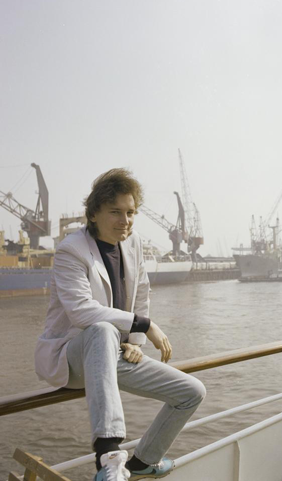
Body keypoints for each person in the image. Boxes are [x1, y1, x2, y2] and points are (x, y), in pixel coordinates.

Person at [35, 169, 206, 481]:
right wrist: (144, 326)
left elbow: (141, 293)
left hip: (112, 354)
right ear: (93, 214)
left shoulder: (133, 243)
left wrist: (134, 343)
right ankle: (109, 456)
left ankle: (144, 461)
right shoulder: (71, 250)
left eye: (130, 212)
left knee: (192, 391)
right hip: (72, 358)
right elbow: (82, 312)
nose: (125, 221)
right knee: (101, 329)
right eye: (115, 212)